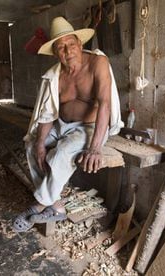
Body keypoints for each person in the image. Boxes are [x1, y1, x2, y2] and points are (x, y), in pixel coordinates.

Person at [12, 17, 123, 232]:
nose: (68, 50)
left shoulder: (97, 63)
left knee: (61, 153)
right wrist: (41, 143)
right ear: (55, 53)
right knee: (32, 145)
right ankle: (56, 206)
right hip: (61, 124)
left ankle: (40, 204)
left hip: (89, 128)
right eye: (60, 47)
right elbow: (48, 113)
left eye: (71, 44)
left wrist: (95, 148)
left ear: (80, 44)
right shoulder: (55, 76)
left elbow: (105, 104)